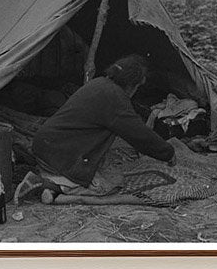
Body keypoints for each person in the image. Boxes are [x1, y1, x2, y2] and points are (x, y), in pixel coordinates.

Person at [16, 54, 175, 202]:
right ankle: (51, 185)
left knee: (104, 170)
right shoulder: (115, 98)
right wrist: (167, 153)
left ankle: (51, 186)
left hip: (47, 147)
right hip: (59, 153)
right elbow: (138, 133)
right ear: (132, 84)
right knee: (111, 184)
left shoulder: (99, 83)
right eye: (138, 86)